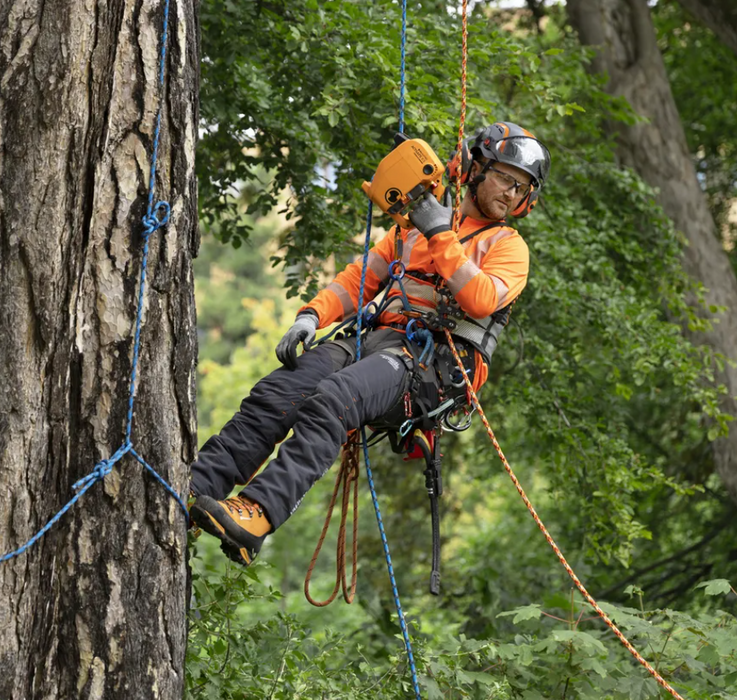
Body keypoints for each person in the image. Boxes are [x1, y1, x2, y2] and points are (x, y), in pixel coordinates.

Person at [189, 122, 551, 566]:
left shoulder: (507, 247)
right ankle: (197, 485)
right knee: (278, 393)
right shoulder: (414, 227)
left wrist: (440, 232)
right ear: (475, 168)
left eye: (522, 188)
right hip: (379, 339)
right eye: (505, 178)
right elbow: (362, 278)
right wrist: (312, 315)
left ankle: (258, 514)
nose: (512, 194)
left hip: (435, 367)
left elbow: (478, 298)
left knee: (336, 398)